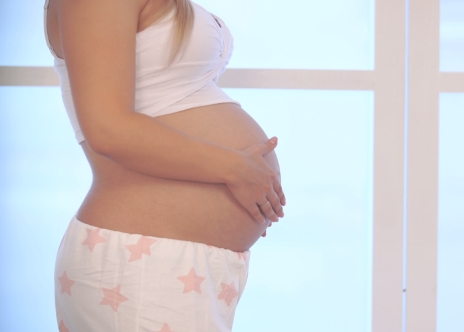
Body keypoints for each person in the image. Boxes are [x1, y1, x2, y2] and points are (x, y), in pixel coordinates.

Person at [44, 0, 286, 330]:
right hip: (140, 261)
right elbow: (108, 129)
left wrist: (255, 193)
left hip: (179, 262)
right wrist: (237, 169)